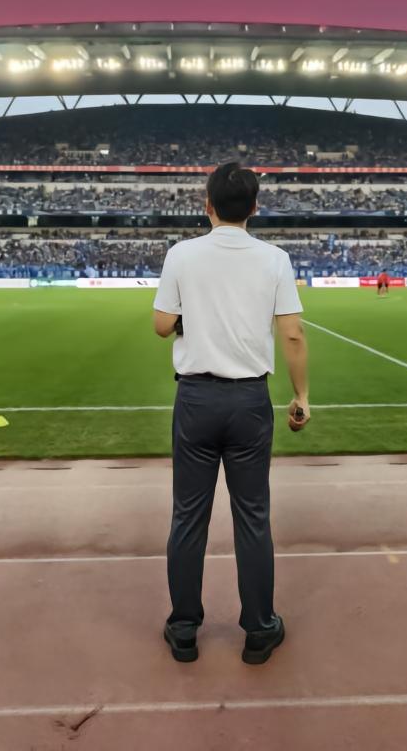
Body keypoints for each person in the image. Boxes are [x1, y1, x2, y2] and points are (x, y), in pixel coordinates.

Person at [153, 162, 310, 666]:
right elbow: (292, 333)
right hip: (249, 402)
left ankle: (184, 629)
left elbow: (162, 325)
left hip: (196, 399)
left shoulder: (182, 254)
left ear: (208, 205)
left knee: (188, 516)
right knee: (253, 517)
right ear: (255, 208)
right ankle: (259, 629)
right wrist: (301, 395)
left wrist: (191, 318)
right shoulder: (275, 259)